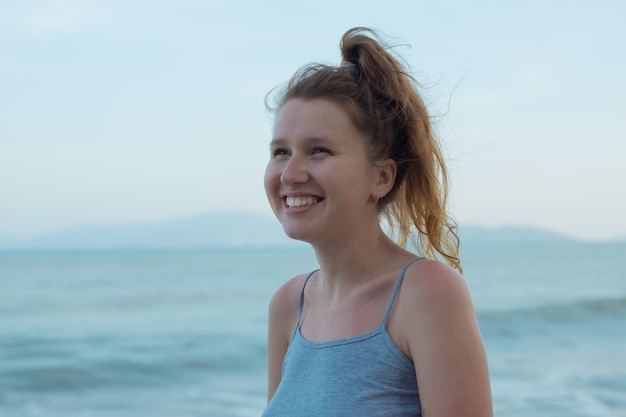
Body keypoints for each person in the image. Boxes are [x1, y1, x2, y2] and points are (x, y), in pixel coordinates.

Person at [261, 27, 492, 417]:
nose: (290, 173)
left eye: (319, 150)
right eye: (281, 152)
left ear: (381, 177)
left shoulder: (426, 294)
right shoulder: (288, 305)